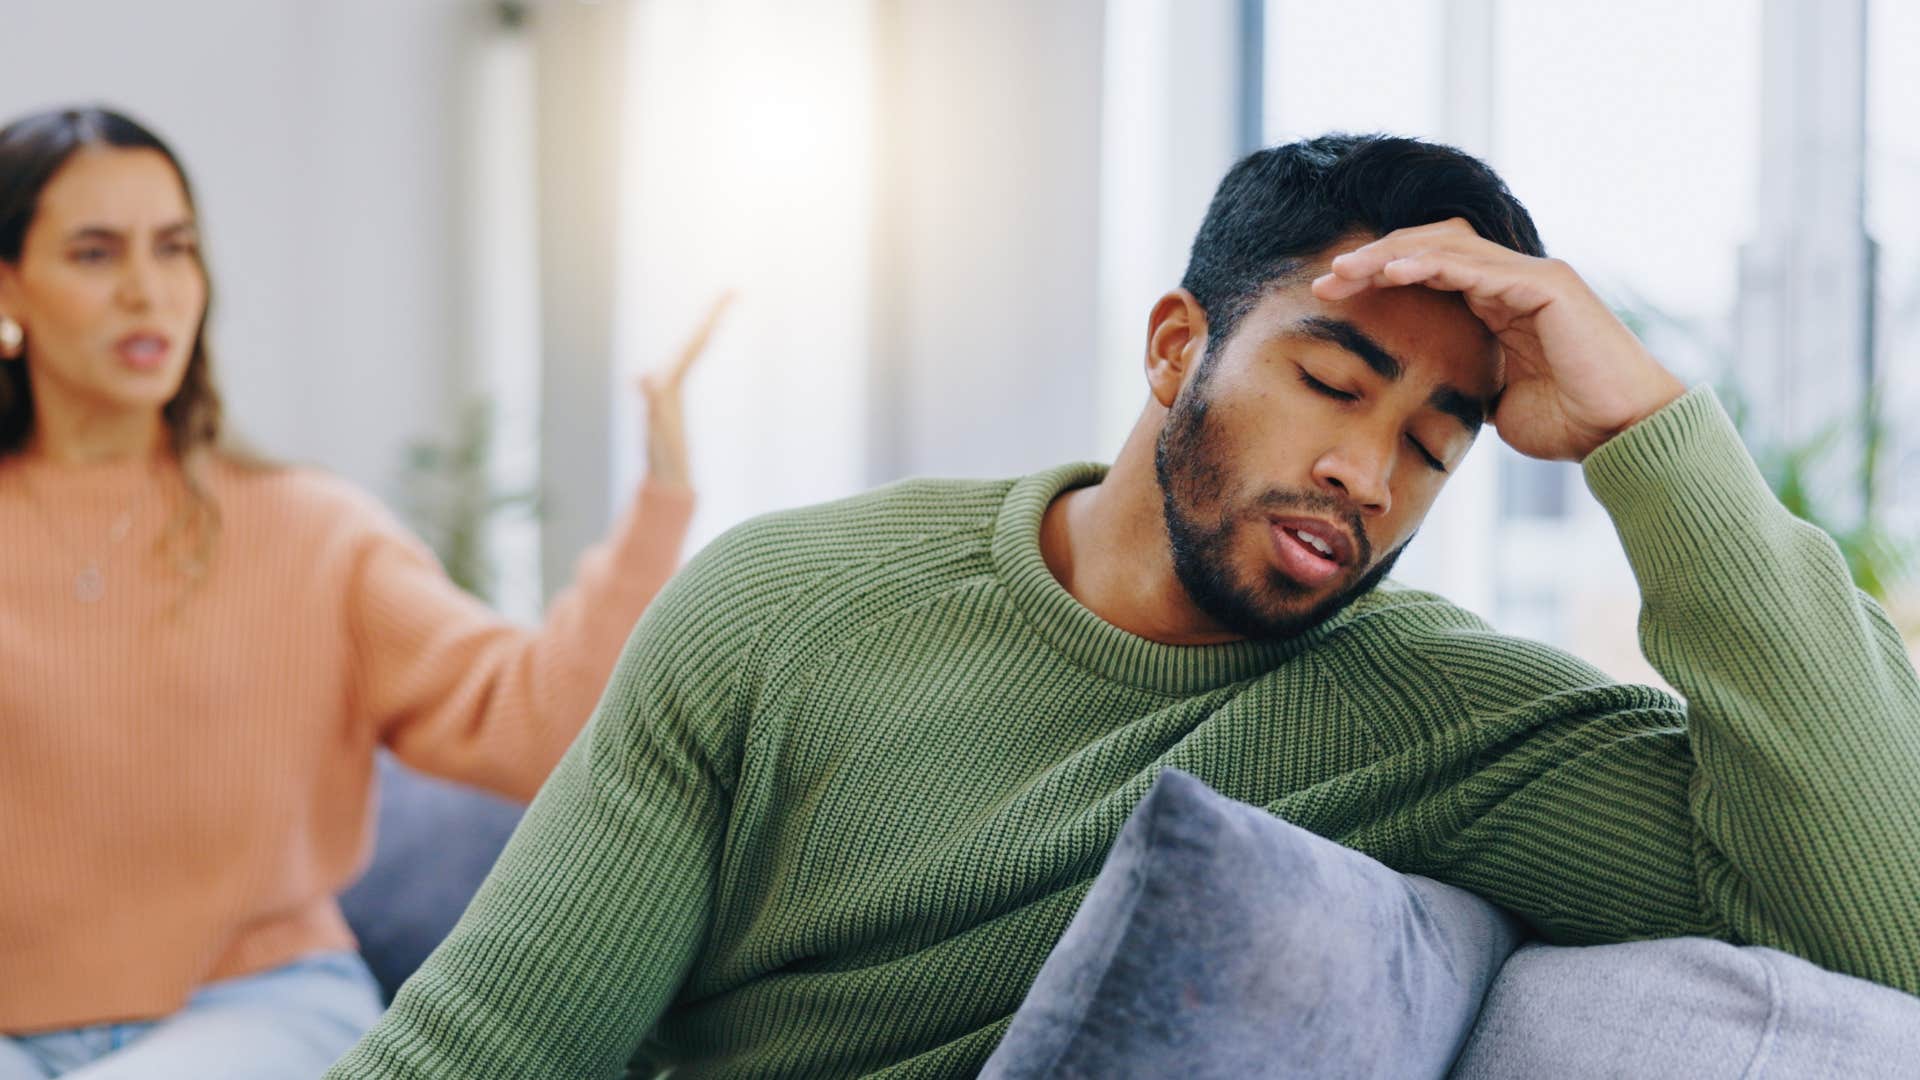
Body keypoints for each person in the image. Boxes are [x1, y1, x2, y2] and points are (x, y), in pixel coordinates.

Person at [328, 134, 1920, 1079]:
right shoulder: (783, 605)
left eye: (1434, 447)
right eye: (1330, 383)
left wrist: (1657, 442)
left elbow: (1884, 933)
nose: (1369, 475)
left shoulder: (1449, 715)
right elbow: (484, 1050)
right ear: (1177, 350)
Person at [0, 106, 729, 1077]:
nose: (147, 291)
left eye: (174, 250)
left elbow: (541, 720)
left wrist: (660, 502)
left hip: (260, 1011)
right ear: (9, 284)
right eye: (95, 254)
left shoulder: (310, 531)